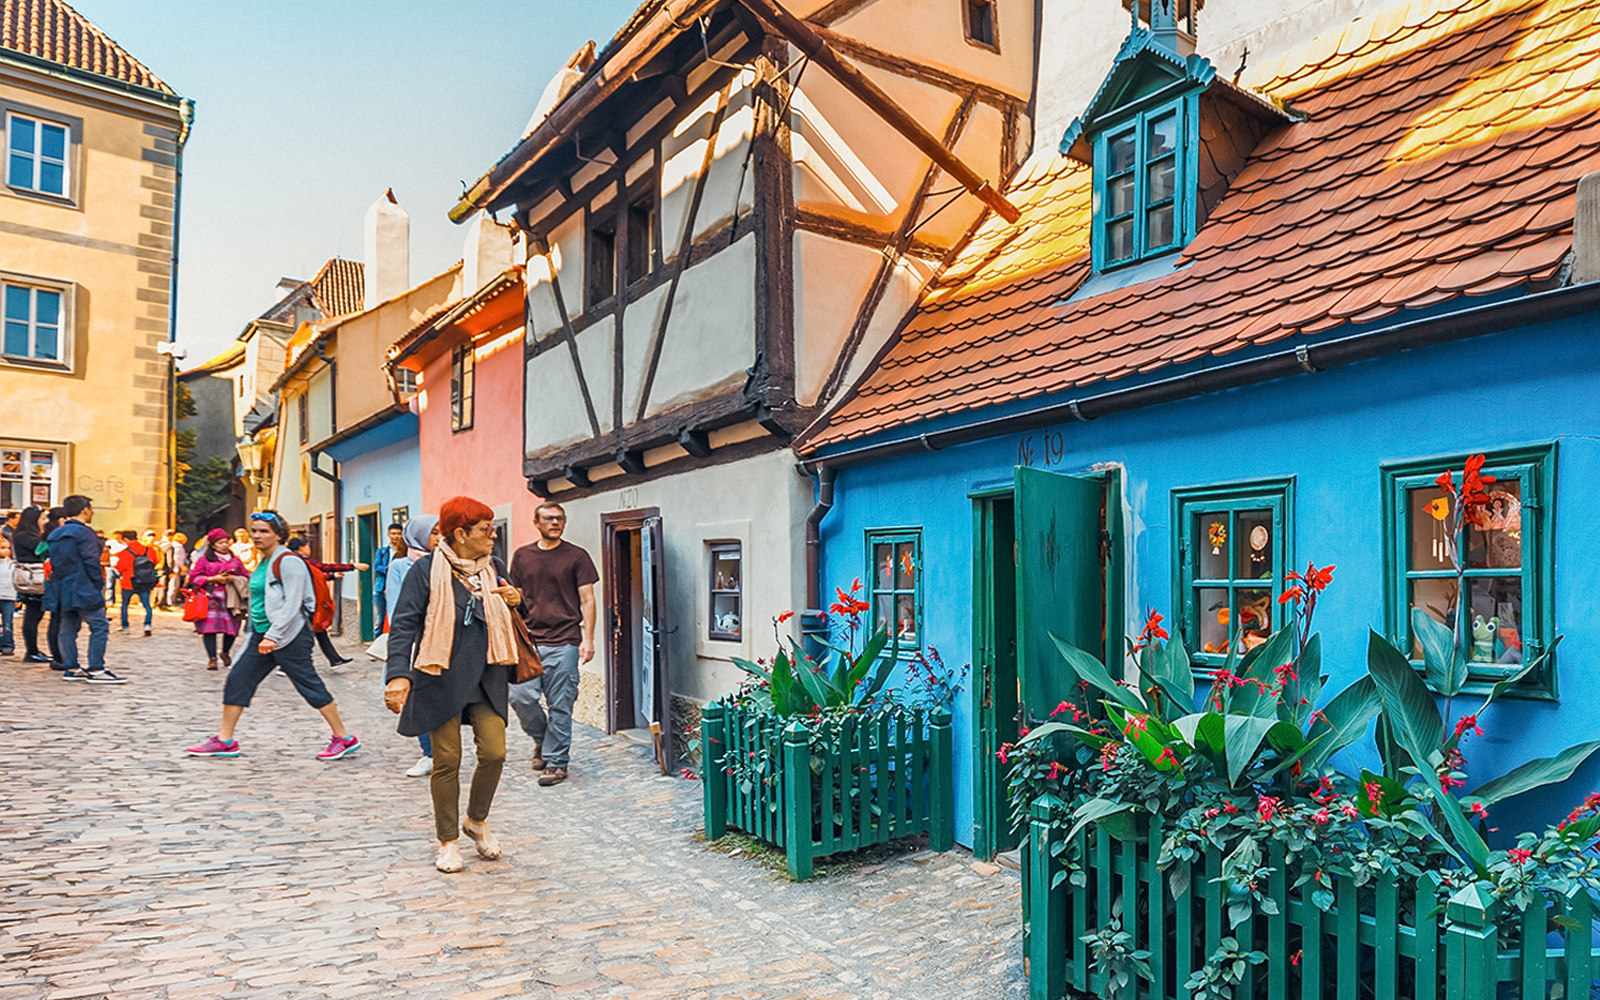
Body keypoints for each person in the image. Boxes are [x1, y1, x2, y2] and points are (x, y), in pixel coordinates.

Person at [383, 497, 521, 873]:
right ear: (460, 534)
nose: (492, 536)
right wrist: (398, 674)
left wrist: (516, 600)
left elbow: (516, 611)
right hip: (438, 677)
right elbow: (404, 626)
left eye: (492, 528)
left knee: (495, 752)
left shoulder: (494, 567)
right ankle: (448, 842)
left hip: (487, 676)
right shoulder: (425, 571)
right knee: (447, 761)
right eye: (484, 530)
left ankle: (476, 821)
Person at [183, 510, 359, 760]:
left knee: (308, 684)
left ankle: (343, 737)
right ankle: (225, 741)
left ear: (279, 535)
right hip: (263, 635)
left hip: (289, 636)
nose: (257, 535)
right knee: (238, 680)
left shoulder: (288, 561)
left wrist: (273, 637)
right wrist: (257, 633)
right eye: (254, 530)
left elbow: (293, 604)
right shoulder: (265, 561)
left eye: (264, 531)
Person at [506, 500, 597, 787]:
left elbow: (588, 599)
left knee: (560, 705)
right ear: (536, 522)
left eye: (559, 518)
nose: (555, 523)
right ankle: (543, 740)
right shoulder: (522, 556)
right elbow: (515, 599)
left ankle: (557, 763)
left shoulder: (577, 556)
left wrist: (589, 640)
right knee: (520, 696)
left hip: (565, 641)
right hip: (530, 642)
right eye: (548, 518)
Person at [48, 495, 124, 684]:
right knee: (99, 626)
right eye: (90, 508)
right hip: (83, 584)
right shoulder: (85, 533)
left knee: (67, 626)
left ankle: (71, 667)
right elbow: (91, 560)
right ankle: (96, 669)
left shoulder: (56, 533)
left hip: (62, 584)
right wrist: (98, 582)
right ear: (84, 509)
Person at [388, 515, 440, 777]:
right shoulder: (401, 566)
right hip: (416, 642)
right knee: (415, 698)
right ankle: (428, 752)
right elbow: (397, 608)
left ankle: (442, 751)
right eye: (433, 533)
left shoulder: (450, 564)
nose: (440, 538)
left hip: (441, 641)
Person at [284, 537, 360, 667]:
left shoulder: (296, 560)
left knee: (319, 631)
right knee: (303, 635)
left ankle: (334, 658)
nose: (309, 549)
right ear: (301, 547)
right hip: (303, 602)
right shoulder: (300, 561)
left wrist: (331, 576)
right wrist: (351, 566)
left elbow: (315, 574)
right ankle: (287, 664)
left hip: (304, 602)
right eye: (308, 546)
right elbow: (323, 567)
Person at [188, 528, 246, 670]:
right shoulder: (204, 560)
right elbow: (194, 577)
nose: (224, 545)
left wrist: (233, 578)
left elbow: (245, 575)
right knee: (210, 629)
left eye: (226, 542)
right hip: (211, 598)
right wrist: (212, 578)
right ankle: (212, 658)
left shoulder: (235, 561)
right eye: (221, 543)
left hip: (231, 599)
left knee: (232, 628)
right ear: (213, 545)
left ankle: (225, 652)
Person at [11, 506, 47, 664]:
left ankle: (33, 650)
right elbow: (43, 550)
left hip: (32, 577)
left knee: (35, 615)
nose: (45, 522)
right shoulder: (26, 536)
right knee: (33, 615)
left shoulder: (24, 534)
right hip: (32, 578)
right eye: (42, 519)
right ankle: (31, 651)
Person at [113, 530, 159, 636]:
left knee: (125, 605)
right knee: (147, 605)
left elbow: (120, 567)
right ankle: (147, 625)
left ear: (125, 539)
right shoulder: (150, 550)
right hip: (145, 581)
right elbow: (154, 562)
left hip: (128, 581)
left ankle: (126, 626)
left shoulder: (124, 552)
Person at [372, 522, 404, 634]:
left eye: (399, 534)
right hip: (380, 588)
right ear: (388, 535)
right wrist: (388, 568)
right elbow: (376, 567)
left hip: (396, 589)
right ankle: (376, 644)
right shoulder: (382, 551)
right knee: (379, 619)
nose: (396, 536)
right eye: (393, 534)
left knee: (395, 618)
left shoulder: (404, 552)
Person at [0, 533, 16, 656]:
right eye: (2, 548)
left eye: (7, 548)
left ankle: (8, 644)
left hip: (8, 596)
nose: (6, 551)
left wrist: (17, 597)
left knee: (8, 623)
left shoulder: (11, 564)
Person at [165, 531, 189, 608]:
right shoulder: (178, 547)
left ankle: (170, 600)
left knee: (173, 584)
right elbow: (178, 558)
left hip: (174, 567)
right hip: (176, 568)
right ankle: (170, 601)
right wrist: (182, 566)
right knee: (174, 585)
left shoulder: (172, 545)